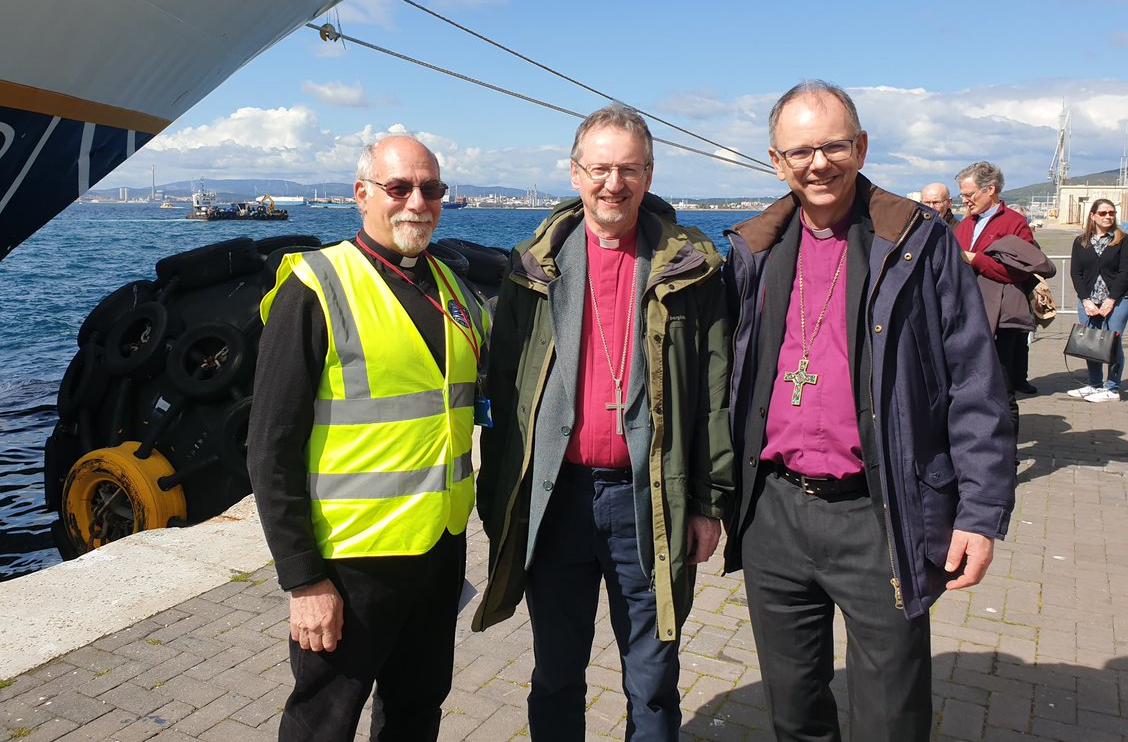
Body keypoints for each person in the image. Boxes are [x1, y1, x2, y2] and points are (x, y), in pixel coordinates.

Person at [722, 81, 1016, 741]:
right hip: (773, 511)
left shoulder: (916, 240)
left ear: (860, 146)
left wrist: (979, 513)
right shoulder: (753, 248)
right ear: (776, 161)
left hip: (881, 511)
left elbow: (975, 381)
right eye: (800, 151)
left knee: (890, 717)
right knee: (793, 711)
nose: (818, 164)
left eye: (833, 146)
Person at [472, 104, 733, 740]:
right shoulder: (531, 268)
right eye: (600, 169)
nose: (613, 183)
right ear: (575, 173)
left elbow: (714, 393)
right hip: (558, 499)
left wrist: (709, 502)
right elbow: (504, 392)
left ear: (649, 174)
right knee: (556, 672)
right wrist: (500, 499)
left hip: (650, 498)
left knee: (653, 679)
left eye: (629, 169)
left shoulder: (692, 269)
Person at [246, 135, 489, 741]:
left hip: (438, 548)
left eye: (432, 189)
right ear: (362, 194)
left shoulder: (454, 291)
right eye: (398, 187)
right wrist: (303, 579)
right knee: (322, 723)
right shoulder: (317, 286)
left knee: (417, 710)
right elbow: (270, 447)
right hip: (351, 561)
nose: (417, 203)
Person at [955, 161, 1042, 413]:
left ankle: (1007, 438)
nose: (965, 201)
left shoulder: (1014, 223)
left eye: (969, 194)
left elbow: (1019, 271)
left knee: (1002, 387)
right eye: (962, 195)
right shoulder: (965, 224)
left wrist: (976, 260)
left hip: (1000, 317)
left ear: (990, 189)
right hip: (968, 311)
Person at [1067, 198, 1128, 402]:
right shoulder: (1081, 241)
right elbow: (1076, 273)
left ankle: (1112, 388)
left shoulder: (1123, 240)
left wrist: (1111, 300)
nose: (1108, 216)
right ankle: (1094, 384)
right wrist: (1086, 300)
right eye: (1103, 213)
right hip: (1089, 301)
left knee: (1112, 343)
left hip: (1118, 300)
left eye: (1111, 213)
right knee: (1090, 342)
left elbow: (1125, 272)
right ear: (1092, 216)